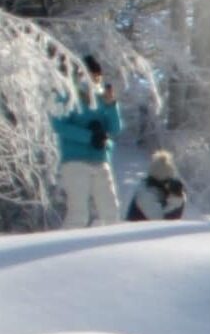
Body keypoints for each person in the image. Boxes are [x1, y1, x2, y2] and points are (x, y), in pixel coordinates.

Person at [50, 55, 121, 228]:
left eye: (98, 77)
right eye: (91, 76)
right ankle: (62, 251)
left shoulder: (102, 98)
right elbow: (59, 125)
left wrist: (111, 106)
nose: (95, 81)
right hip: (75, 160)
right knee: (78, 214)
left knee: (111, 212)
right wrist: (89, 136)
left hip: (100, 159)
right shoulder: (66, 96)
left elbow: (115, 129)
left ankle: (112, 252)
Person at [126, 151, 188, 222]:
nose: (168, 185)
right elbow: (160, 221)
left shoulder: (159, 191)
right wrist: (176, 199)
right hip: (139, 231)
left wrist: (178, 195)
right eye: (167, 181)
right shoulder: (146, 193)